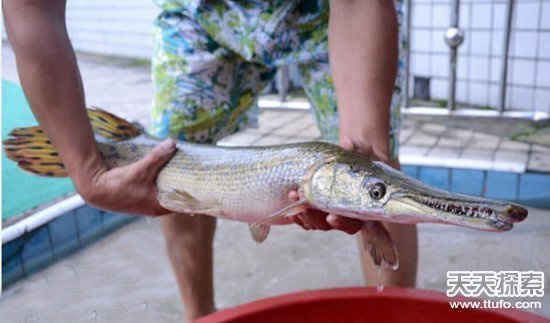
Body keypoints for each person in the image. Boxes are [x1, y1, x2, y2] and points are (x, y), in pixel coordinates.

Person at [4, 0, 417, 321]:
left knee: (375, 169)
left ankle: (397, 316)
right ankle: (200, 317)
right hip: (199, 12)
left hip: (323, 10)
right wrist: (86, 168)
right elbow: (30, 7)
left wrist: (370, 156)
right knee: (167, 159)